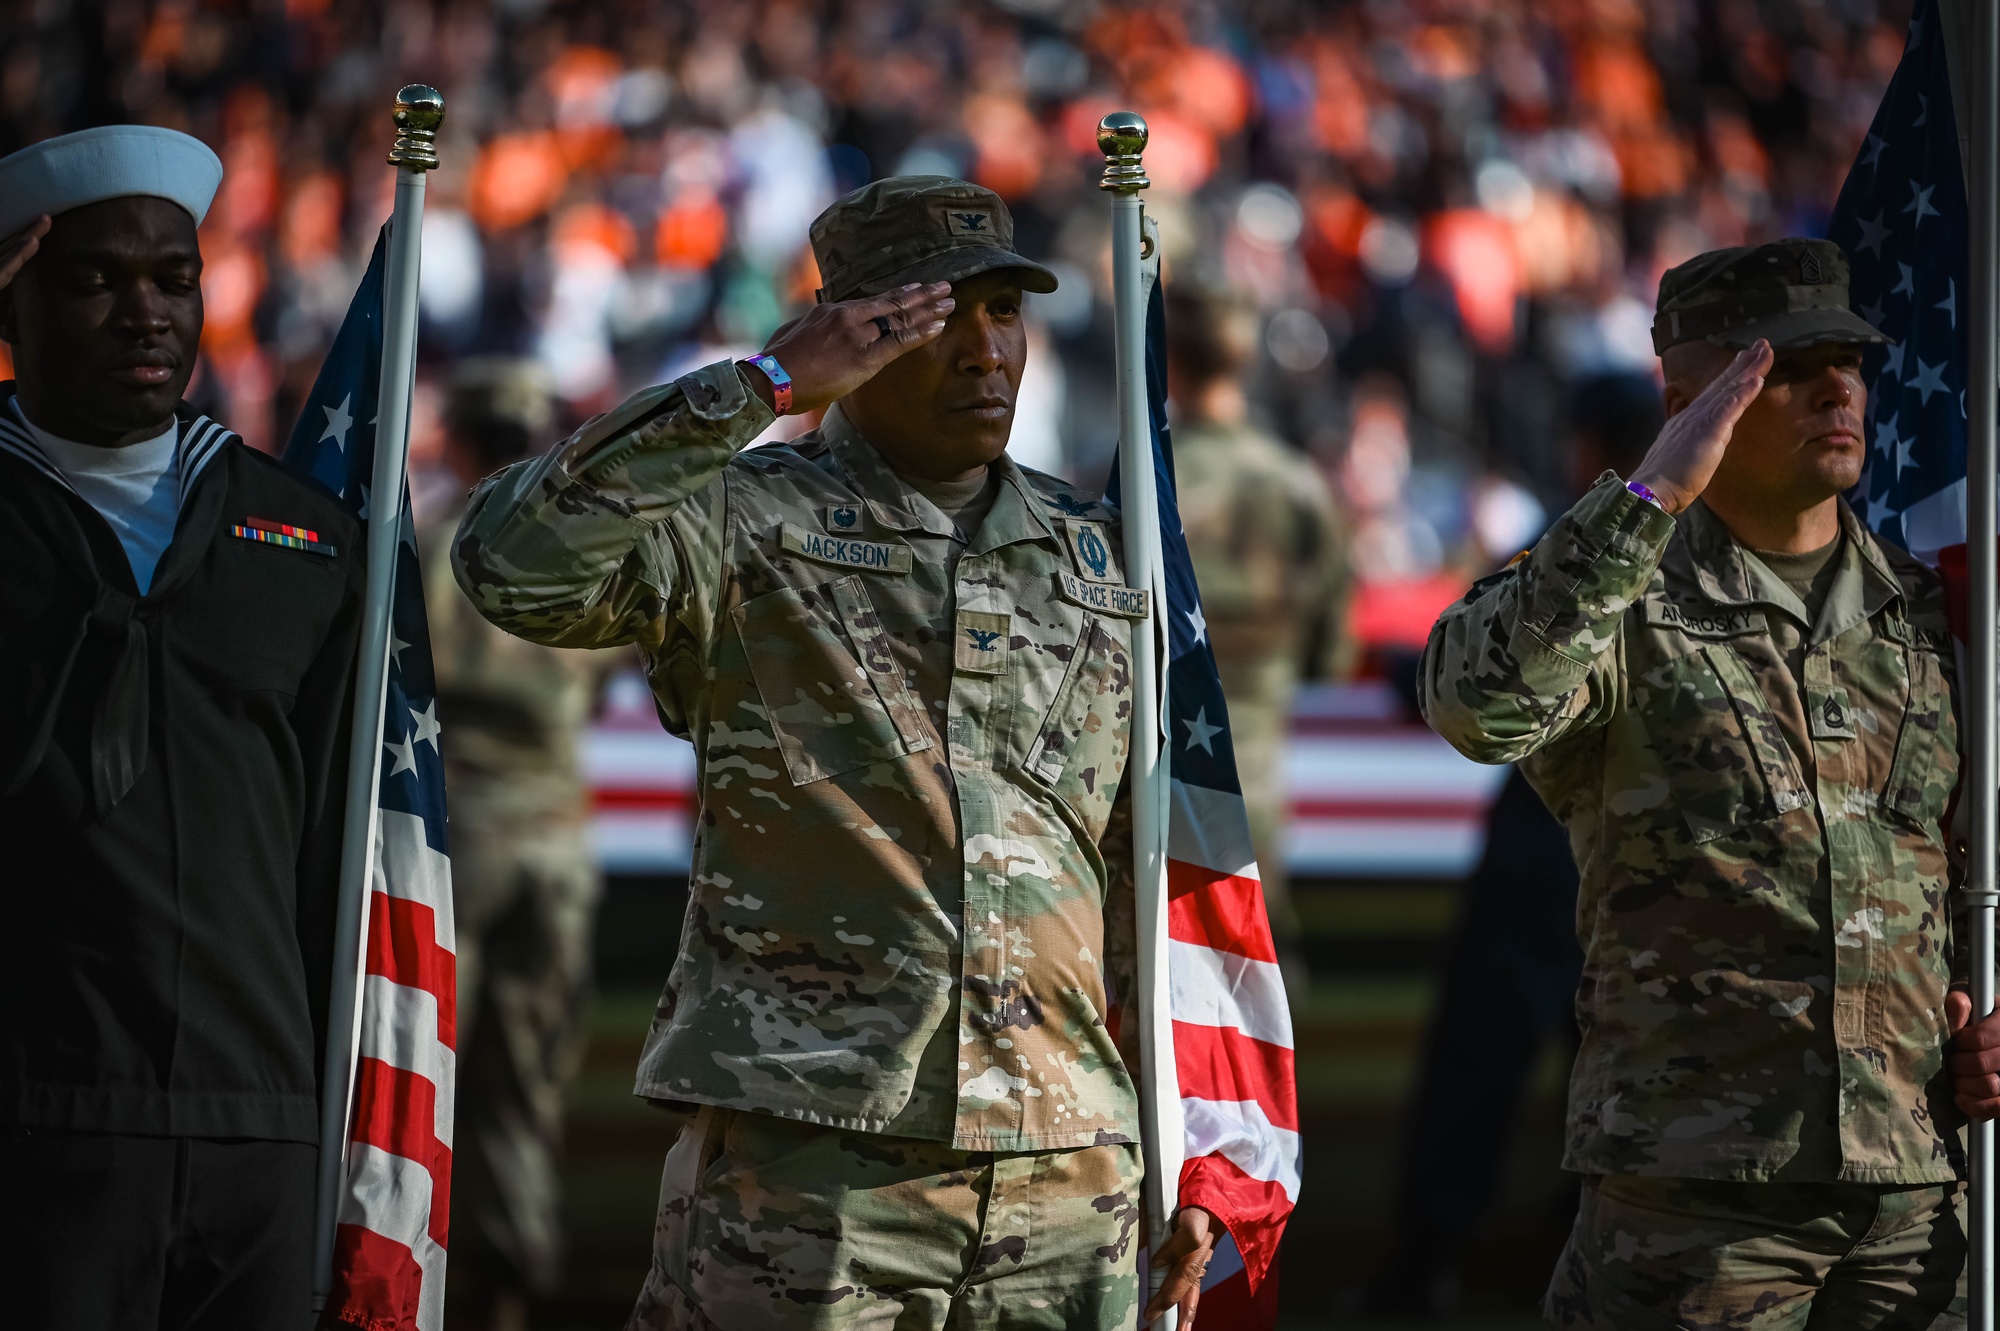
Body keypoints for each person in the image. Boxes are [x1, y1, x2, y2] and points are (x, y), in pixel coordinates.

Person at [452, 177, 1219, 1331]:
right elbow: (512, 561)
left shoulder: (1108, 559)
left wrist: (1200, 1143)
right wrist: (756, 388)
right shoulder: (742, 518)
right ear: (851, 332)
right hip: (811, 1164)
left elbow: (1149, 869)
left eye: (1003, 313)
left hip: (1070, 1172)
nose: (983, 351)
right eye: (934, 317)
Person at [1422, 238, 1988, 1327]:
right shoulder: (1615, 599)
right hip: (1696, 1205)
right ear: (1688, 398)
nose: (1838, 387)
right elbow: (1474, 702)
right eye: (1789, 365)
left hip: (1922, 1191)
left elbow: (1969, 857)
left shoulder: (1930, 611)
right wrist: (1647, 496)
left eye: (1852, 360)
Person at [0, 127, 364, 1326]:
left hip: (262, 1121)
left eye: (172, 277)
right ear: (15, 299)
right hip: (33, 1122)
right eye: (94, 278)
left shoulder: (305, 537)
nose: (144, 312)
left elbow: (330, 842)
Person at [1358, 373, 1663, 1319]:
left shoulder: (1570, 550)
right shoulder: (1713, 563)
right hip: (1639, 879)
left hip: (1542, 861)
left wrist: (1403, 669)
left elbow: (1490, 670)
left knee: (1480, 1064)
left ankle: (1431, 1256)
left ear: (1587, 447)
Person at [419, 358, 615, 1330]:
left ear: (455, 439)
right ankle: (511, 1299)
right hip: (555, 846)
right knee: (524, 1096)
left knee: (425, 1083)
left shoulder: (421, 546)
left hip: (452, 848)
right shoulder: (574, 552)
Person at [1168, 280, 1349, 980]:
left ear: (1170, 359)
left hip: (1154, 771)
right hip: (1257, 771)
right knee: (1258, 966)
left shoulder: (1128, 477)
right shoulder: (1299, 485)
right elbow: (1333, 654)